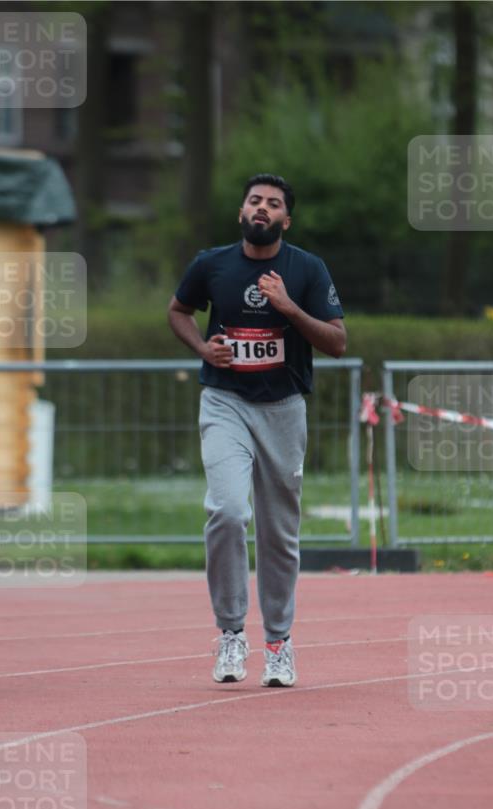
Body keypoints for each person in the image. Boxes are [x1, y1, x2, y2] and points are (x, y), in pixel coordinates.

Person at [168, 173, 346, 687]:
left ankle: (278, 643)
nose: (261, 208)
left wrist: (289, 307)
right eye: (254, 201)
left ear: (286, 220)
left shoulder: (306, 269)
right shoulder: (212, 264)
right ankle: (229, 633)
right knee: (226, 511)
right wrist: (203, 349)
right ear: (241, 212)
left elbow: (337, 341)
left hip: (284, 409)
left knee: (278, 533)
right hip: (225, 402)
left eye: (272, 204)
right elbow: (179, 311)